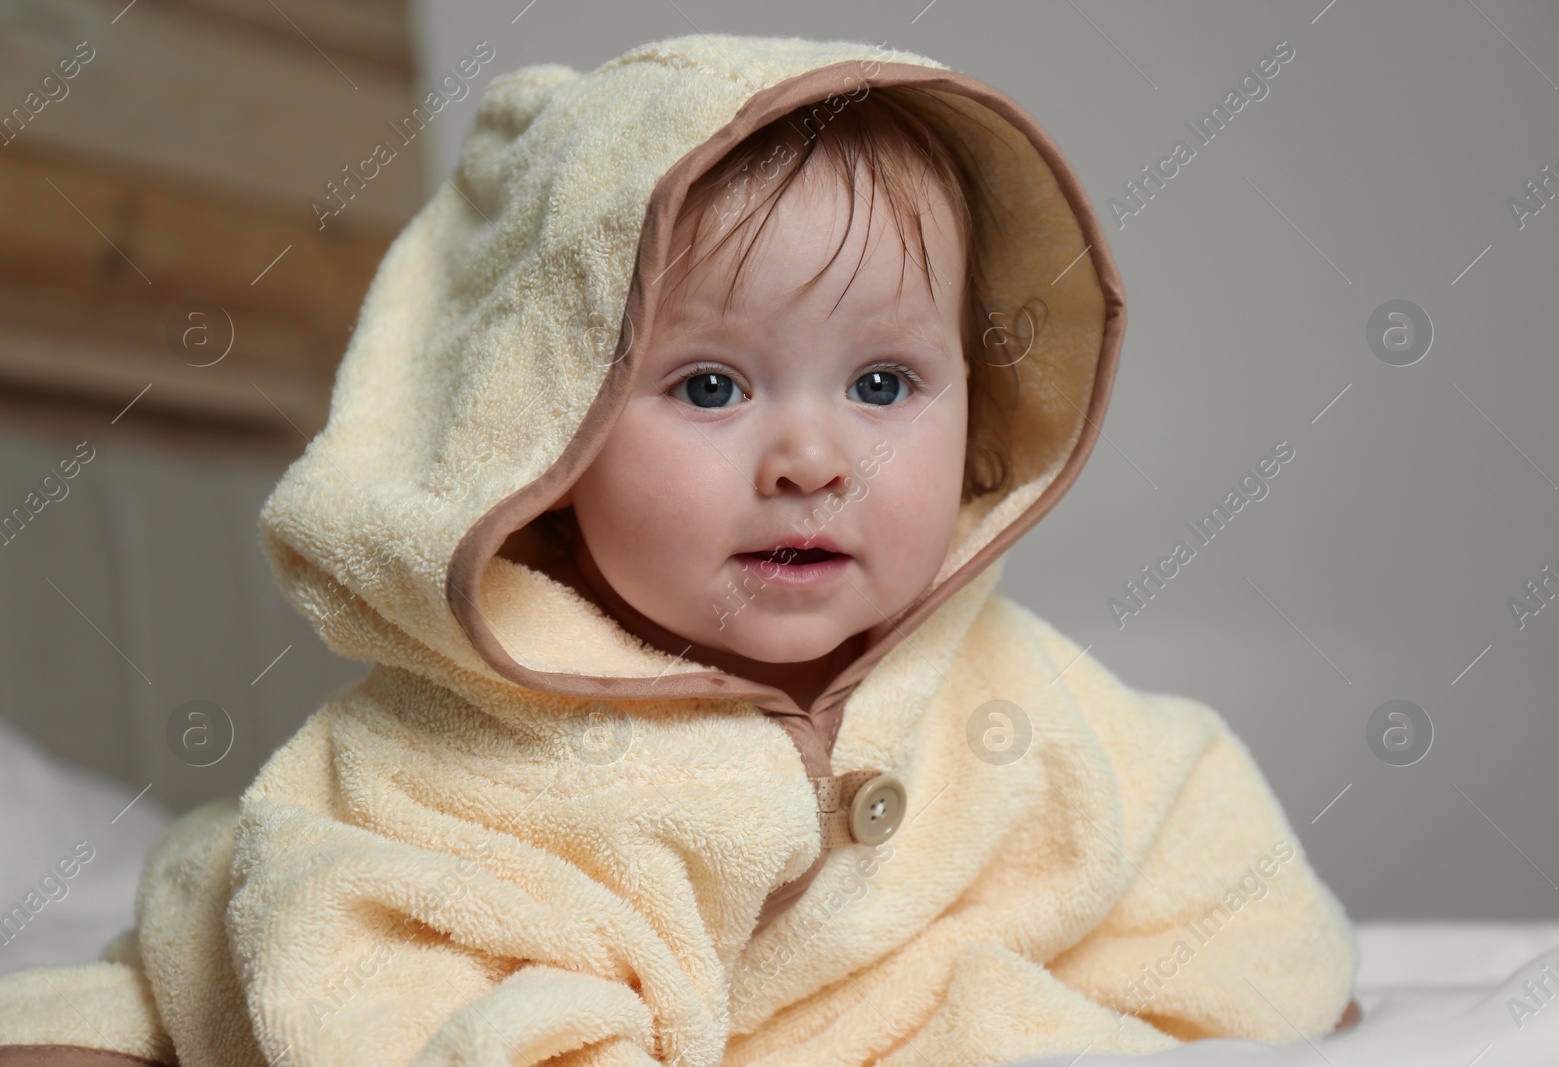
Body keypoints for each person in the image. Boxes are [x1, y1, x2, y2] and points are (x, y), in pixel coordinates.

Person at [0, 35, 1368, 1066]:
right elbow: (388, 974)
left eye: (884, 385)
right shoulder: (464, 752)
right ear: (551, 432)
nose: (812, 459)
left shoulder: (1026, 693)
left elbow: (1209, 862)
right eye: (711, 387)